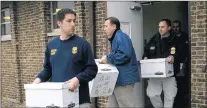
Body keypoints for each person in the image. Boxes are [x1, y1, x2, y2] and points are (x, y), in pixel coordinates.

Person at [32, 8, 98, 108]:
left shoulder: (82, 44)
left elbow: (92, 69)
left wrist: (77, 79)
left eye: (74, 21)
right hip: (57, 101)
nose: (73, 24)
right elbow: (47, 69)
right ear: (59, 23)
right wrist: (38, 79)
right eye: (68, 21)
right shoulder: (52, 45)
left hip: (79, 101)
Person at [100, 17, 140, 107]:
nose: (104, 28)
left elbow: (125, 55)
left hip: (124, 80)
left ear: (114, 26)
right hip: (118, 80)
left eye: (106, 26)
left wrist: (108, 58)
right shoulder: (116, 38)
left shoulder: (121, 37)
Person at [143, 19, 177, 108]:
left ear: (169, 28)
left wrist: (173, 56)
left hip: (169, 74)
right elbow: (146, 50)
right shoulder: (154, 39)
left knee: (170, 96)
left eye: (163, 27)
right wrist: (145, 56)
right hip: (155, 73)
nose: (160, 29)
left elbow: (177, 51)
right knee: (152, 94)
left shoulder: (174, 39)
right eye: (159, 27)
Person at [172, 20, 189, 108]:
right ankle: (175, 103)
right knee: (174, 84)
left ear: (180, 26)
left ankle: (182, 103)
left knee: (182, 84)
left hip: (184, 64)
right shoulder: (170, 37)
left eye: (177, 26)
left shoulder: (186, 36)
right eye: (174, 27)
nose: (175, 28)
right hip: (173, 64)